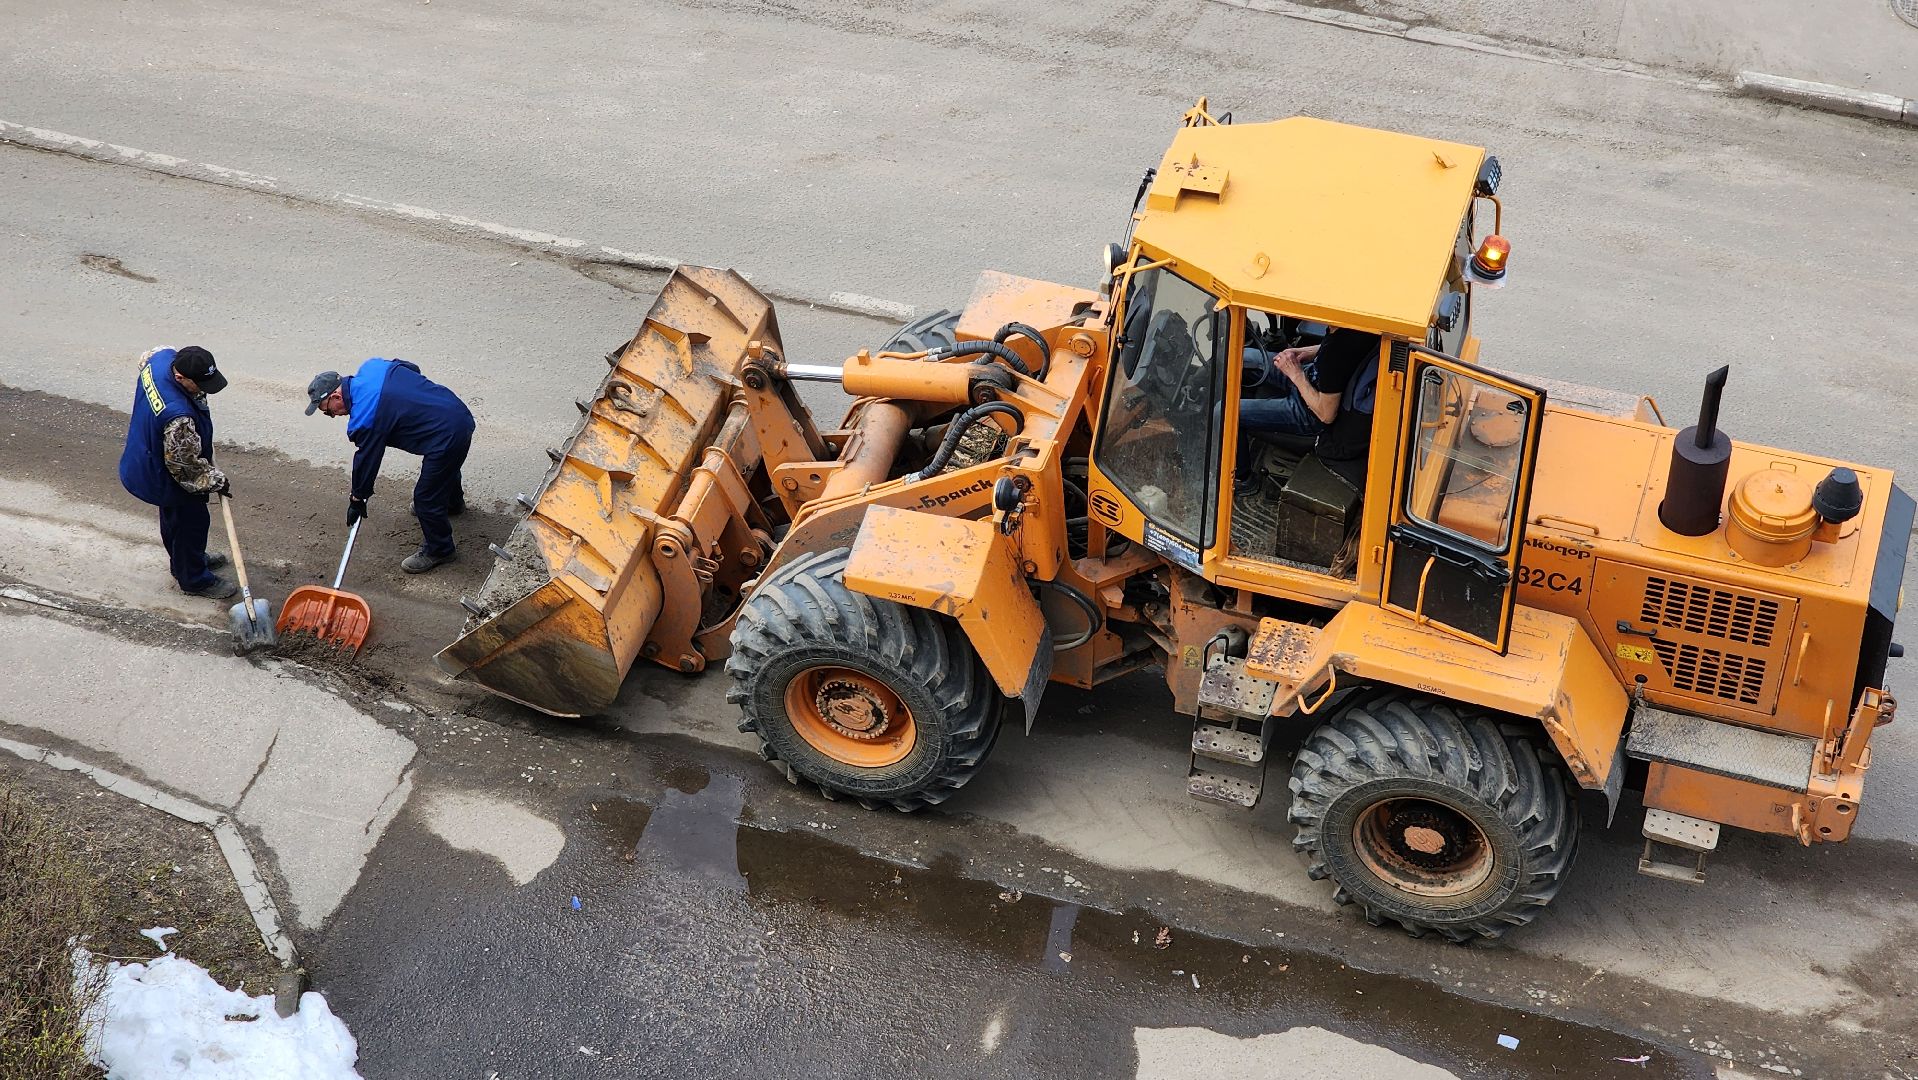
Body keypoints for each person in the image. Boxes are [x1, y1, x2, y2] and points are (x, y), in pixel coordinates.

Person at [305, 358, 475, 574]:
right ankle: (452, 504)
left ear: (336, 397)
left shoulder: (365, 417)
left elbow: (367, 462)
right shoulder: (373, 367)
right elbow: (412, 368)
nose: (333, 416)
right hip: (454, 410)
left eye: (328, 411)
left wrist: (357, 498)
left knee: (425, 499)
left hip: (448, 435)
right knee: (444, 468)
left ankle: (440, 549)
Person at [117, 345, 237, 598]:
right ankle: (193, 579)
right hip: (162, 473)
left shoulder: (160, 359)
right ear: (180, 377)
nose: (205, 389)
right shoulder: (178, 418)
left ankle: (186, 560)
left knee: (174, 519)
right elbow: (187, 469)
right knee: (190, 523)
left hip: (146, 452)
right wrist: (216, 481)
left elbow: (148, 356)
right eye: (200, 384)